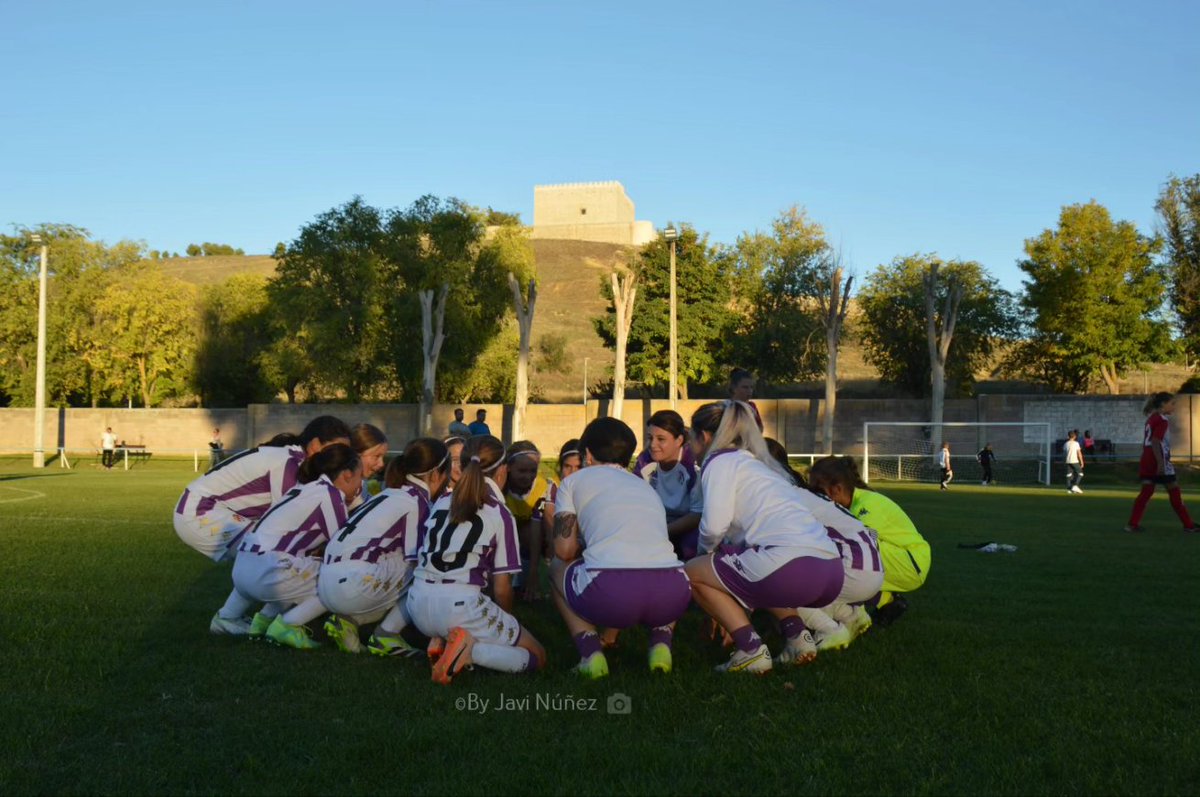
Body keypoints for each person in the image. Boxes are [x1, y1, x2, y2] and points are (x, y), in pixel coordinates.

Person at [685, 400, 844, 674]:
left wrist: (704, 560)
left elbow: (713, 526)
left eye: (691, 438)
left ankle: (750, 649)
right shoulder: (758, 466)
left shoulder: (719, 461)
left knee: (692, 572)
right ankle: (798, 638)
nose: (690, 447)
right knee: (760, 568)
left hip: (792, 567)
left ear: (706, 437)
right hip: (830, 569)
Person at [173, 415, 351, 635]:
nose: (341, 459)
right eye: (337, 451)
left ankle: (248, 618)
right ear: (314, 446)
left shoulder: (291, 458)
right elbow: (288, 521)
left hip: (202, 508)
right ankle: (242, 619)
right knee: (268, 552)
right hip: (201, 511)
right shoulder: (291, 463)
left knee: (267, 553)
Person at [550, 417, 691, 678]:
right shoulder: (644, 486)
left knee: (558, 566)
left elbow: (564, 550)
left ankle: (590, 653)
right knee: (658, 562)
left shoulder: (573, 482)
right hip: (674, 593)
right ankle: (661, 643)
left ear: (588, 454)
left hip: (612, 593)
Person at [406, 435, 546, 685]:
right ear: (502, 471)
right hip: (459, 606)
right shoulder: (499, 512)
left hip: (416, 605)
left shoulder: (441, 502)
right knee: (537, 655)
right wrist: (506, 622)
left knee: (471, 620)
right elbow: (502, 587)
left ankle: (443, 640)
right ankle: (468, 652)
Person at [319, 438, 450, 656]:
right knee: (426, 571)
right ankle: (386, 635)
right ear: (436, 475)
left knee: (401, 566)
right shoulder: (416, 501)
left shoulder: (390, 493)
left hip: (328, 581)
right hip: (352, 583)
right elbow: (417, 561)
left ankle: (348, 621)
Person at [231, 444, 362, 649]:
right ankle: (288, 625)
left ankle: (263, 620)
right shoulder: (332, 496)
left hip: (244, 567)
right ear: (347, 475)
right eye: (359, 476)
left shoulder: (306, 488)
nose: (360, 483)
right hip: (265, 571)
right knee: (338, 579)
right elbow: (341, 548)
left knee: (302, 567)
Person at [809, 456, 930, 628]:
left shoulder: (866, 505)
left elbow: (863, 546)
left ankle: (845, 614)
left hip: (911, 563)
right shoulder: (855, 501)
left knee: (847, 550)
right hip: (903, 558)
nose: (815, 496)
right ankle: (884, 601)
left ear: (837, 489)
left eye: (818, 491)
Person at [634, 410, 703, 561]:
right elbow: (635, 500)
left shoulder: (692, 464)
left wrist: (663, 531)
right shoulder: (644, 461)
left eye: (661, 439)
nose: (653, 445)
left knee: (692, 545)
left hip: (687, 526)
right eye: (650, 438)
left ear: (679, 440)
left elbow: (697, 514)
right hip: (656, 523)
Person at [1125, 392, 1197, 533]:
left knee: (1146, 492)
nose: (1173, 407)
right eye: (1172, 404)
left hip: (1146, 459)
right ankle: (1189, 525)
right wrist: (1161, 463)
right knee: (1174, 491)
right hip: (1158, 459)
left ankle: (1132, 524)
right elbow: (1156, 441)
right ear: (1163, 404)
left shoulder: (1151, 418)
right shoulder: (1162, 420)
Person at [503, 441, 557, 601]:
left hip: (536, 533)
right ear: (508, 467)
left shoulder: (544, 486)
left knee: (529, 534)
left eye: (532, 471)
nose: (528, 476)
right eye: (522, 471)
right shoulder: (500, 484)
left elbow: (539, 526)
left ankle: (528, 582)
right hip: (506, 531)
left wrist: (533, 572)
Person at [348, 423, 388, 509]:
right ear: (356, 454)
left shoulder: (363, 485)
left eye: (383, 457)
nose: (381, 464)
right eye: (376, 456)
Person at [1064, 430, 1084, 494]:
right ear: (1075, 436)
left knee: (1069, 474)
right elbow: (1079, 453)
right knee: (1080, 473)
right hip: (1074, 460)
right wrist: (1082, 462)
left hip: (1068, 461)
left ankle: (1069, 489)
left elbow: (1065, 452)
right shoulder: (1076, 443)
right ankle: (1075, 485)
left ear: (1068, 436)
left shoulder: (1066, 443)